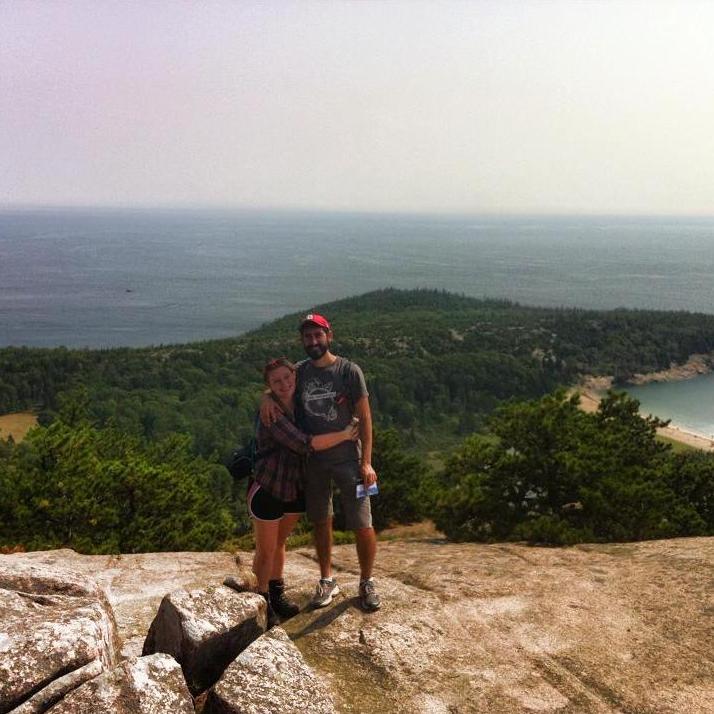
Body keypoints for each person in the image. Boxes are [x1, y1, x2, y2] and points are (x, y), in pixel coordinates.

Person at [262, 313, 381, 612]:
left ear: (329, 335)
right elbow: (279, 384)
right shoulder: (299, 371)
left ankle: (366, 581)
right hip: (313, 462)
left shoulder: (349, 371)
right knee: (320, 519)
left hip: (350, 461)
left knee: (363, 522)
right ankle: (327, 579)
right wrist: (265, 397)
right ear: (302, 341)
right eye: (307, 337)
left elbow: (365, 418)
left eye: (318, 335)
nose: (313, 341)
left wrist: (367, 462)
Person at [251, 357, 359, 627]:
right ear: (269, 386)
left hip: (295, 486)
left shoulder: (300, 400)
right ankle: (262, 602)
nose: (284, 384)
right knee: (266, 551)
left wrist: (266, 393)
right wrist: (345, 435)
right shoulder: (273, 413)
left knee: (279, 543)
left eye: (287, 378)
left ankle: (276, 594)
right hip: (269, 487)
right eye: (276, 382)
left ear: (295, 378)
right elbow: (303, 444)